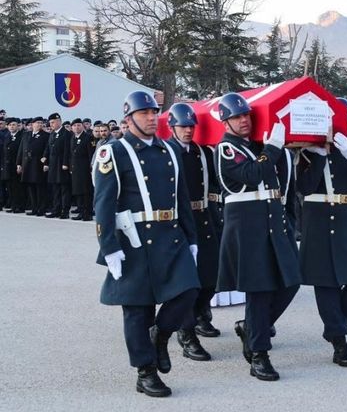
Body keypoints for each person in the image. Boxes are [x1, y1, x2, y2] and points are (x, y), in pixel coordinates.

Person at [93, 91, 200, 397]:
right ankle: (146, 372)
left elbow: (182, 197)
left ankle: (161, 336)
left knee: (188, 290)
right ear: (128, 119)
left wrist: (191, 238)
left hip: (170, 234)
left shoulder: (168, 149)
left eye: (155, 112)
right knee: (138, 309)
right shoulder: (114, 152)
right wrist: (108, 245)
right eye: (144, 114)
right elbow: (103, 203)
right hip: (134, 239)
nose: (153, 118)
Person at [215, 92, 302, 381]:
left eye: (246, 116)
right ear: (226, 121)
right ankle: (259, 355)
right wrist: (274, 146)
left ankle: (252, 329)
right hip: (248, 227)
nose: (243, 121)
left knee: (291, 281)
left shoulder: (257, 146)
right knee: (259, 290)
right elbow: (253, 174)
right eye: (237, 117)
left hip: (273, 222)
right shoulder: (226, 149)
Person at [296, 97, 347, 368]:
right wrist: (319, 158)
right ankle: (339, 342)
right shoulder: (309, 151)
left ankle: (336, 326)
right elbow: (304, 187)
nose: (338, 127)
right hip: (318, 220)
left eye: (344, 122)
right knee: (326, 284)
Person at [164, 103, 222, 355]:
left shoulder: (202, 152)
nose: (188, 131)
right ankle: (185, 334)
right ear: (172, 127)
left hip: (204, 215)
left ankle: (200, 313)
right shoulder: (166, 152)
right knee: (186, 281)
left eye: (191, 126)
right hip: (180, 219)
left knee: (211, 274)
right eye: (183, 126)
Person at [18, 116, 49, 215]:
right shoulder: (26, 135)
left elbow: (46, 150)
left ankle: (41, 208)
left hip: (38, 165)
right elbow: (21, 150)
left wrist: (45, 163)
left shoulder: (45, 135)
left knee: (40, 188)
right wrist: (19, 163)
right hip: (27, 165)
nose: (39, 125)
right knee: (30, 188)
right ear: (32, 124)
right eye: (37, 123)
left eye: (41, 123)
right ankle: (34, 208)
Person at [68, 118, 94, 221]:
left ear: (82, 126)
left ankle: (87, 213)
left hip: (85, 170)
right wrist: (70, 167)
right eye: (74, 126)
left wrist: (91, 168)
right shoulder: (73, 138)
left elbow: (91, 155)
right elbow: (71, 155)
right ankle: (81, 211)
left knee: (86, 192)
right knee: (78, 191)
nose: (76, 127)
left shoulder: (88, 138)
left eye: (78, 125)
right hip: (75, 169)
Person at [2, 117, 25, 213]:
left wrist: (19, 164)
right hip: (8, 167)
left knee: (18, 187)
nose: (12, 127)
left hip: (16, 166)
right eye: (10, 125)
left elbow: (22, 152)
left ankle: (20, 206)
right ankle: (13, 205)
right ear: (7, 126)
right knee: (10, 187)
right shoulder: (7, 136)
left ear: (18, 126)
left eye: (14, 125)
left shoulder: (21, 136)